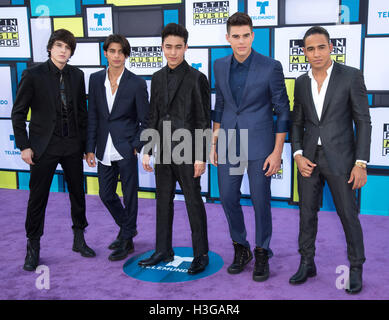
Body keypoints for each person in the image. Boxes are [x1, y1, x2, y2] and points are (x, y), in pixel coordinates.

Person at [290, 26, 371, 294]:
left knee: (348, 214)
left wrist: (361, 163)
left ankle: (356, 268)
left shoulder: (350, 76)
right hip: (309, 159)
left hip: (343, 160)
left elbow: (363, 120)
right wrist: (298, 154)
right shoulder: (301, 82)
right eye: (310, 49)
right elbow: (297, 121)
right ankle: (307, 262)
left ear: (331, 48)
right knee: (306, 214)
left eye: (321, 47)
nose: (316, 53)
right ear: (304, 52)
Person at [210, 12, 290, 282]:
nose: (241, 41)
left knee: (260, 201)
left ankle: (262, 250)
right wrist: (215, 141)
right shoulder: (219, 65)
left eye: (246, 35)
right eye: (236, 36)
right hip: (230, 140)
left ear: (253, 36)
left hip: (260, 144)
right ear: (227, 38)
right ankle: (241, 247)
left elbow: (282, 110)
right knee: (228, 197)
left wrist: (278, 151)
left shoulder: (271, 66)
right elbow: (220, 104)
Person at [11, 29, 96, 271]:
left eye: (67, 48)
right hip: (43, 147)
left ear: (71, 52)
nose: (63, 51)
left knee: (78, 195)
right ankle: (33, 246)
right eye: (59, 45)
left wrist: (86, 146)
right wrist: (24, 145)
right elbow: (17, 113)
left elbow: (82, 113)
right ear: (50, 48)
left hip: (72, 145)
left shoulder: (77, 75)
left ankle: (79, 240)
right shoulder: (33, 75)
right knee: (38, 198)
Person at [138, 23, 211, 275]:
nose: (173, 52)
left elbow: (203, 120)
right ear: (162, 47)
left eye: (178, 47)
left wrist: (201, 156)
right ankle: (163, 250)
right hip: (163, 151)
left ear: (186, 47)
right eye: (168, 47)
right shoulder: (156, 78)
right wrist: (147, 148)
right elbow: (153, 115)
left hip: (189, 151)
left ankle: (201, 254)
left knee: (193, 203)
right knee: (163, 202)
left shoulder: (197, 78)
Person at [86, 34, 149, 261]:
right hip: (103, 147)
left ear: (125, 55)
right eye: (112, 51)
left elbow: (146, 120)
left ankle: (127, 240)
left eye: (120, 52)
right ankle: (128, 229)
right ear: (105, 53)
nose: (116, 56)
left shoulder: (137, 83)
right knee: (106, 194)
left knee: (130, 195)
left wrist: (136, 145)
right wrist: (89, 147)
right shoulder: (94, 80)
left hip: (126, 147)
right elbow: (92, 115)